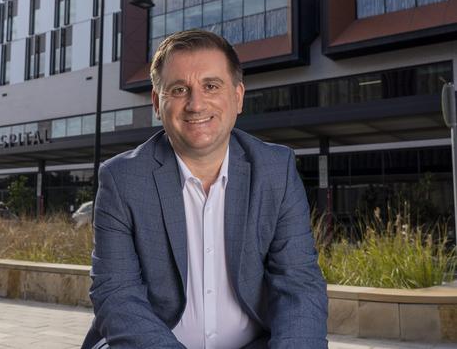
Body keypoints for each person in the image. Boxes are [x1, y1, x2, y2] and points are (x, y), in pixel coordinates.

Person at [82, 29, 328, 349]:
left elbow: (300, 285)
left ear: (237, 97)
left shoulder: (275, 170)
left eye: (211, 86)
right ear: (158, 103)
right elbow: (116, 294)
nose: (196, 104)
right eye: (179, 89)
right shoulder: (122, 179)